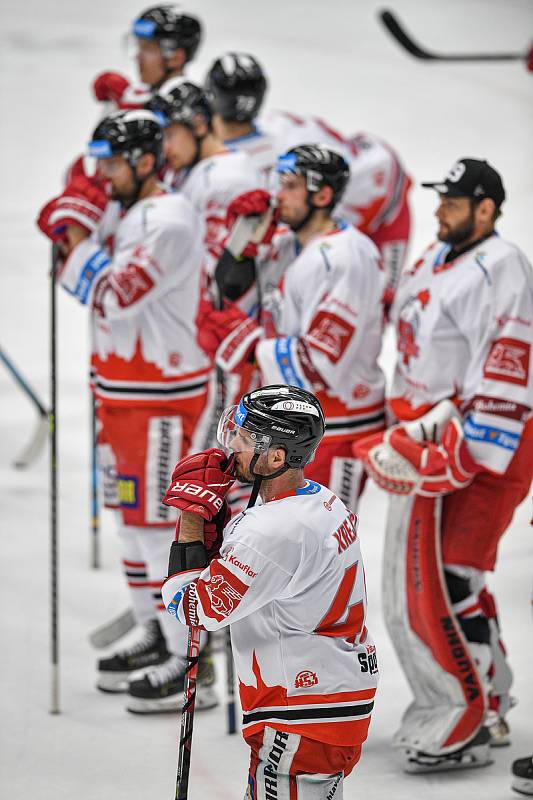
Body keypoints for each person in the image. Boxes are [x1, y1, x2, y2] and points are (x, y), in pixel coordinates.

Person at [354, 157, 533, 771]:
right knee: (439, 579)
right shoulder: (436, 254)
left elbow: (508, 358)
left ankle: (480, 713)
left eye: (453, 202)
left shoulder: (503, 266)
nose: (440, 210)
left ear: (486, 208)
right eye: (441, 200)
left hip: (484, 442)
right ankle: (492, 696)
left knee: (455, 575)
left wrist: (469, 453)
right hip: (428, 436)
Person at [36, 109, 216, 713]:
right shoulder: (130, 208)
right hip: (122, 394)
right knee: (129, 524)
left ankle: (192, 658)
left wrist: (74, 240)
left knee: (161, 526)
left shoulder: (167, 219)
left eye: (112, 163)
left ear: (144, 162)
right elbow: (85, 261)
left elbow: (113, 295)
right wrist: (75, 206)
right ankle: (154, 634)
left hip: (161, 398)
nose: (104, 175)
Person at [161, 384, 379, 798]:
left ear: (277, 457)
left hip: (302, 708)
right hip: (328, 693)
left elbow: (195, 608)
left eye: (243, 439)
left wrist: (191, 515)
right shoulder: (320, 501)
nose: (231, 448)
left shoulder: (273, 529)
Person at [197, 145, 387, 513]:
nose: (277, 196)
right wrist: (240, 244)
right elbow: (234, 301)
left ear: (323, 195)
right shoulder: (288, 245)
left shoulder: (347, 258)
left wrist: (247, 345)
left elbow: (319, 362)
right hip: (289, 427)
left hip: (335, 429)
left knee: (319, 546)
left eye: (290, 186)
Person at [205, 51, 412, 296]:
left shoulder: (238, 166)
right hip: (326, 226)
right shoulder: (285, 126)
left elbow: (381, 169)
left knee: (376, 307)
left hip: (379, 218)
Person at [91, 5, 202, 111]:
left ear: (176, 58)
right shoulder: (141, 100)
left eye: (148, 49)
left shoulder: (192, 110)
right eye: (139, 46)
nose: (138, 56)